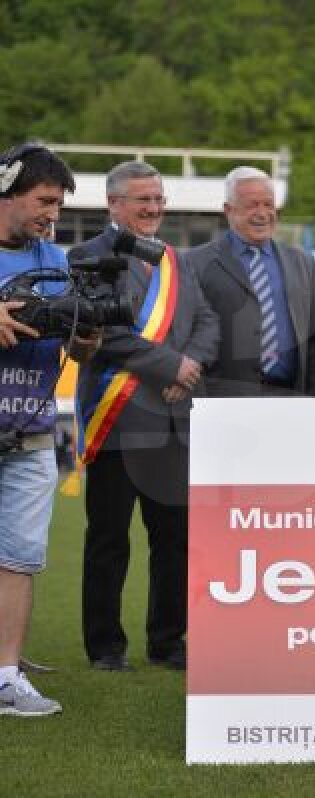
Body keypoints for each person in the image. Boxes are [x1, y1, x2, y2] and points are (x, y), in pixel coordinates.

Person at [72, 161, 219, 672]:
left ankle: (167, 640)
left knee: (173, 539)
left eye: (159, 199)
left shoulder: (176, 259)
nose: (154, 208)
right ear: (114, 204)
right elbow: (103, 333)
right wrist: (171, 365)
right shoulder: (87, 256)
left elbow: (206, 320)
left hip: (175, 419)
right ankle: (106, 646)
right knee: (109, 540)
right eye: (143, 201)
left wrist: (191, 367)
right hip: (118, 420)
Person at [0, 143, 98, 716]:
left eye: (58, 205)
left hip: (31, 432)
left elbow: (77, 344)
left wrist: (87, 336)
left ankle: (7, 676)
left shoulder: (57, 261)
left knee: (19, 558)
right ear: (8, 189)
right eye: (44, 201)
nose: (51, 215)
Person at [185, 167, 315, 398]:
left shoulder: (303, 263)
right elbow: (186, 336)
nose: (262, 213)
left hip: (291, 399)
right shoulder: (194, 263)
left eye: (268, 204)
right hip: (222, 402)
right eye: (252, 205)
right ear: (229, 210)